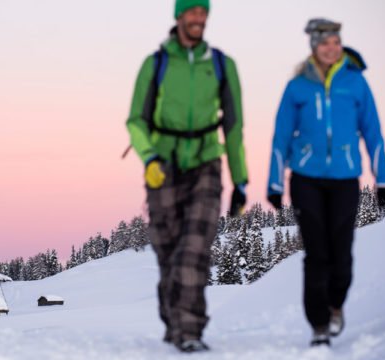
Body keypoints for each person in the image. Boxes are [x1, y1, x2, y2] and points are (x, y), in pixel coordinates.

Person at [126, 0, 248, 352]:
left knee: (194, 249)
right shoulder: (156, 63)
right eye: (192, 12)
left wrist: (240, 181)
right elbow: (136, 120)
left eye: (203, 12)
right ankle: (174, 320)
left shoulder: (223, 65)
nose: (199, 18)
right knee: (168, 252)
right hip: (162, 165)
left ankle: (190, 330)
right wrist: (148, 156)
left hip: (207, 162)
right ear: (179, 16)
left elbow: (234, 126)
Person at [267, 18, 385, 347]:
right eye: (325, 43)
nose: (332, 48)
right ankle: (319, 324)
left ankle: (336, 305)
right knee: (316, 254)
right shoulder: (298, 87)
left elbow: (373, 132)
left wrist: (383, 179)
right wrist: (275, 184)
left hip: (345, 178)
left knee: (342, 257)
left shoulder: (356, 83)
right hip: (306, 179)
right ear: (314, 47)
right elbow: (281, 136)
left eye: (335, 41)